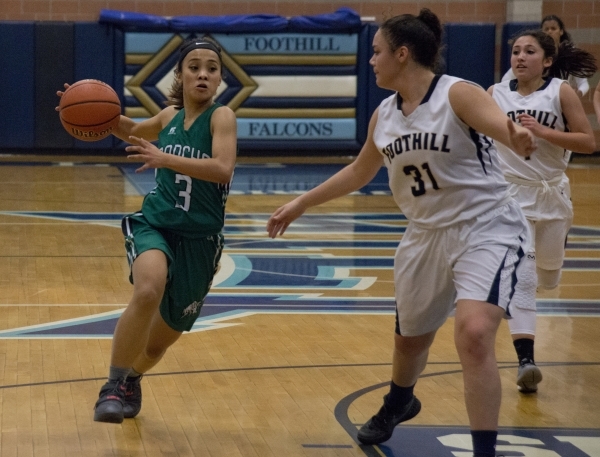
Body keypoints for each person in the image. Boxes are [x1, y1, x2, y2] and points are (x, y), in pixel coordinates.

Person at [267, 9, 537, 457]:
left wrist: (516, 137)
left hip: (486, 227)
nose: (371, 60)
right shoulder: (384, 116)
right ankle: (399, 399)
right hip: (424, 234)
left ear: (403, 54)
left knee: (472, 334)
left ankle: (484, 450)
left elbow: (498, 126)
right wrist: (301, 203)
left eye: (377, 52)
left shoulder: (457, 94)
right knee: (410, 339)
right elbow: (359, 171)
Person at [57, 36, 237, 423]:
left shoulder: (222, 117)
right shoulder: (169, 116)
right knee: (148, 287)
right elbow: (132, 130)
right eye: (194, 67)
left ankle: (132, 379)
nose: (203, 74)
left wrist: (164, 157)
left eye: (211, 68)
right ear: (181, 74)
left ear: (220, 77)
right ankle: (111, 385)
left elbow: (223, 168)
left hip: (200, 241)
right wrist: (84, 105)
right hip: (156, 223)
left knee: (157, 347)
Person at [491, 30, 596, 394]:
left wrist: (546, 132)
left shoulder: (559, 92)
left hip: (551, 195)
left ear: (547, 61)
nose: (519, 57)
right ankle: (526, 359)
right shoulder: (495, 94)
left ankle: (528, 301)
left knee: (548, 277)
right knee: (525, 279)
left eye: (529, 51)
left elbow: (588, 142)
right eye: (515, 51)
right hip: (510, 199)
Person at [501, 15, 596, 98]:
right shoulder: (532, 58)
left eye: (553, 28)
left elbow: (583, 84)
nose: (550, 31)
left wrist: (577, 94)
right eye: (546, 29)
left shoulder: (569, 55)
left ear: (561, 31)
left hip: (562, 101)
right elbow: (505, 81)